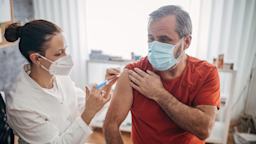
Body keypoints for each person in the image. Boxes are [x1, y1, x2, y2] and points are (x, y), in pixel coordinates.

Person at [103, 5, 220, 144]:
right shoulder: (133, 74)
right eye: (151, 38)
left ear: (186, 42)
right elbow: (110, 125)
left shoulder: (206, 73)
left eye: (164, 39)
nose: (155, 46)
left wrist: (159, 94)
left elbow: (204, 130)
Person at [4, 20, 120, 144]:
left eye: (65, 50)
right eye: (59, 53)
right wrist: (88, 114)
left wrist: (106, 87)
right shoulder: (20, 105)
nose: (66, 57)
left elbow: (85, 104)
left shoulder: (58, 75)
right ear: (37, 58)